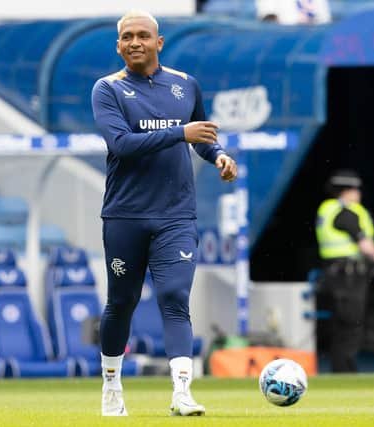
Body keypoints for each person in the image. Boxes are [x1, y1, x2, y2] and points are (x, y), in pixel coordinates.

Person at [91, 10, 237, 416]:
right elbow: (122, 144)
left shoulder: (185, 84)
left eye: (143, 35)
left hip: (176, 215)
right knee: (122, 302)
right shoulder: (108, 89)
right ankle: (112, 385)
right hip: (125, 216)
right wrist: (180, 134)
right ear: (118, 45)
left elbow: (201, 137)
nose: (135, 42)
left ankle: (182, 392)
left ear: (159, 42)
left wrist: (219, 155)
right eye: (127, 37)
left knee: (175, 297)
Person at [315, 170, 374, 373]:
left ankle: (340, 369)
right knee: (351, 324)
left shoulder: (327, 209)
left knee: (340, 324)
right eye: (355, 189)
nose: (358, 193)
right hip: (348, 276)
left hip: (334, 273)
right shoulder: (346, 212)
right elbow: (363, 241)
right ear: (345, 191)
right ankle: (346, 370)